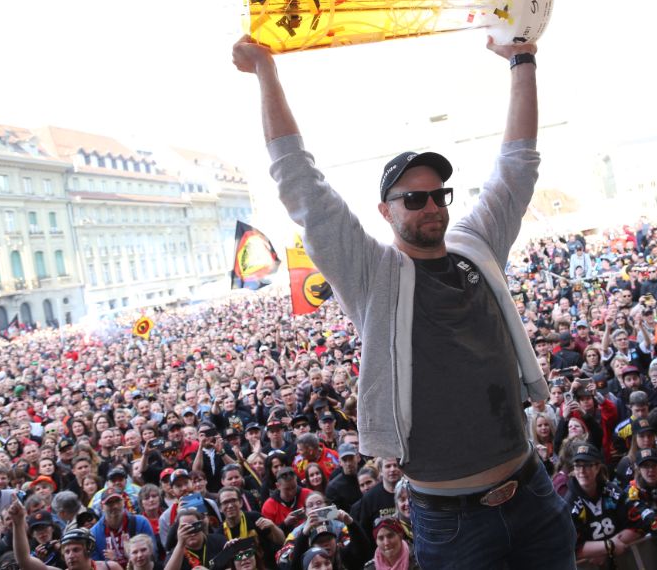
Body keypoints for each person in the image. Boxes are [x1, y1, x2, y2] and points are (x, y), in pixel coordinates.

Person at [234, 34, 575, 569]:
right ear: (385, 211)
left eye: (440, 194)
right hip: (454, 522)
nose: (432, 206)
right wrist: (266, 73)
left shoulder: (476, 245)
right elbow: (302, 186)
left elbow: (517, 166)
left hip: (533, 493)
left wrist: (522, 61)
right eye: (414, 198)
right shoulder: (372, 273)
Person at [562, 444, 634, 569]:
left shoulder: (612, 492)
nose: (582, 471)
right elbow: (571, 547)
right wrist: (608, 546)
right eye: (577, 466)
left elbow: (638, 524)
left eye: (587, 465)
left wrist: (607, 549)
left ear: (597, 467)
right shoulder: (569, 503)